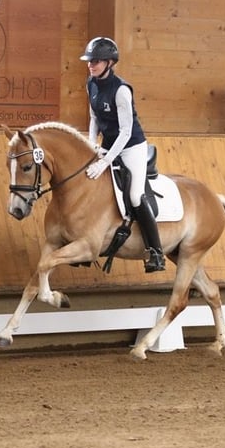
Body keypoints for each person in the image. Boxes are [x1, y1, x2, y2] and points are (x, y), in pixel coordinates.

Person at [81, 36, 165, 273]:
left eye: (95, 61)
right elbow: (94, 118)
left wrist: (106, 160)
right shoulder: (91, 84)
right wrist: (91, 145)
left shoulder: (121, 91)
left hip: (132, 147)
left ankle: (156, 252)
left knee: (136, 196)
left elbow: (126, 131)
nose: (91, 65)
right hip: (108, 145)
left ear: (109, 62)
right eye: (89, 61)